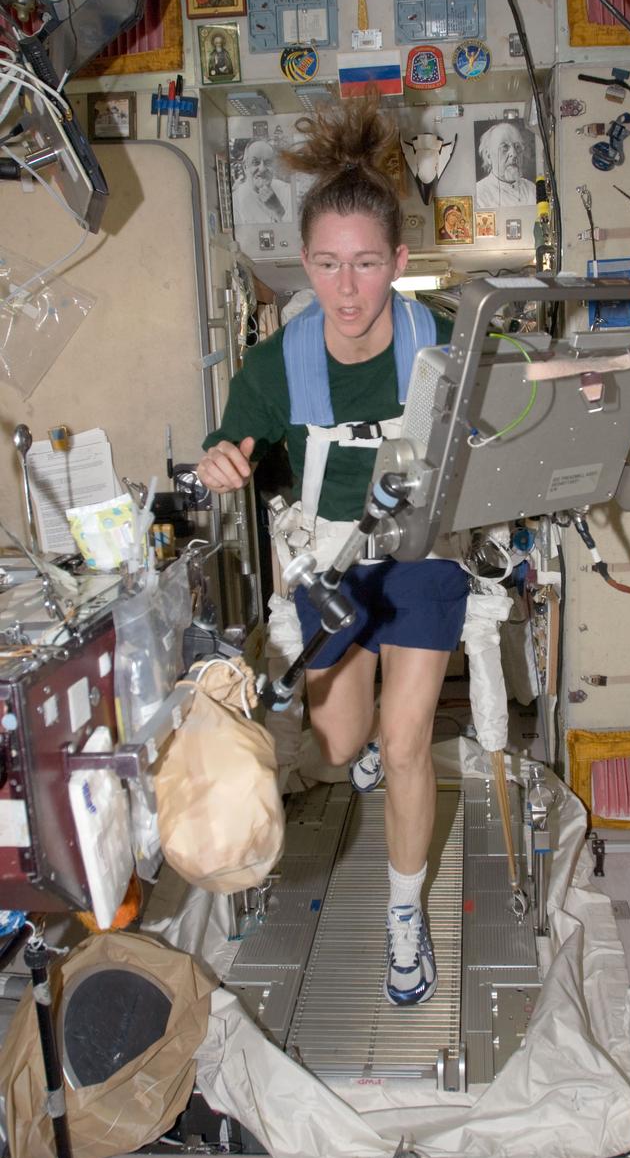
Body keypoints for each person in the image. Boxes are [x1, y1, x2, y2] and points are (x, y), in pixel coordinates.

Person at [197, 96, 469, 1007]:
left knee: (401, 746)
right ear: (301, 263)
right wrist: (225, 464)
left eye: (365, 265)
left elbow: (526, 386)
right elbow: (230, 451)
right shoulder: (276, 366)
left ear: (399, 261)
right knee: (337, 742)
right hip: (332, 564)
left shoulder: (443, 341)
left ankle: (404, 912)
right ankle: (354, 746)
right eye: (325, 266)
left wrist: (587, 377)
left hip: (422, 556)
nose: (346, 291)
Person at [474, 121, 536, 208]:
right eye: (505, 147)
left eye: (517, 147)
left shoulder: (532, 189)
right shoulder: (478, 194)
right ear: (488, 156)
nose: (514, 154)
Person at [231, 139, 293, 225]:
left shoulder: (288, 191)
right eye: (255, 163)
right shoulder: (235, 200)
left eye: (268, 163)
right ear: (245, 167)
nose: (262, 169)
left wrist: (278, 209)